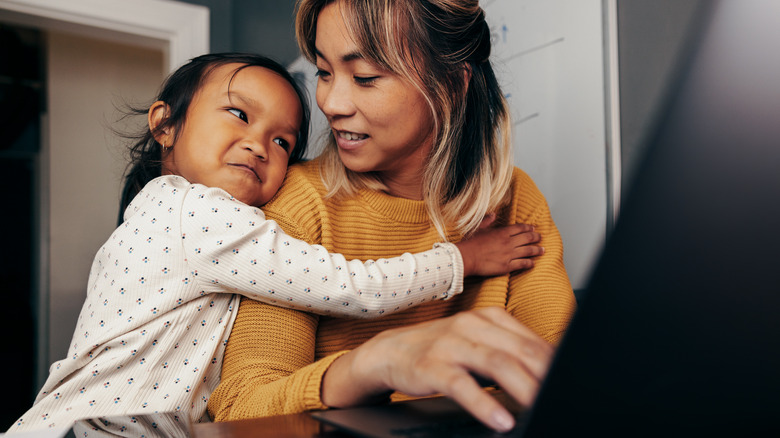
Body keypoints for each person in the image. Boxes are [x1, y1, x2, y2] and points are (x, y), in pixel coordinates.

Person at [7, 53, 543, 433]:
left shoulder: (181, 216)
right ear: (164, 123)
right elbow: (344, 283)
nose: (259, 145)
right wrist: (460, 260)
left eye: (282, 140)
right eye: (239, 114)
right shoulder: (189, 209)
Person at [208, 0, 577, 434]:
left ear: (451, 84)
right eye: (324, 72)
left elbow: (562, 379)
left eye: (364, 77)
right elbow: (240, 407)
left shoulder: (514, 197)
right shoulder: (299, 204)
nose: (330, 102)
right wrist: (371, 366)